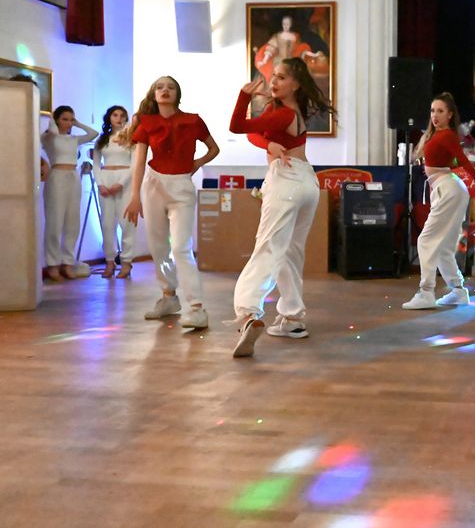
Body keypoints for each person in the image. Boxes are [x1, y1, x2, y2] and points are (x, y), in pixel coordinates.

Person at [228, 58, 332, 357]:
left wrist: (244, 96)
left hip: (285, 181)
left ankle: (248, 312)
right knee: (290, 252)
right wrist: (269, 145)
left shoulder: (283, 113)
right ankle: (293, 319)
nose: (273, 81)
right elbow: (256, 134)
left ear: (296, 84)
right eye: (273, 76)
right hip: (307, 182)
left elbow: (237, 126)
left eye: (282, 77)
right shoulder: (289, 111)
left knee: (268, 248)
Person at [124, 76, 219, 329]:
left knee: (180, 247)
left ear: (178, 94)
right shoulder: (146, 122)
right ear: (153, 94)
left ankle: (197, 308)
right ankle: (168, 297)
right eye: (159, 87)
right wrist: (134, 197)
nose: (165, 90)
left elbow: (214, 148)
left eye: (170, 87)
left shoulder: (193, 120)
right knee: (158, 245)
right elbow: (139, 162)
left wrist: (197, 163)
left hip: (181, 186)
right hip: (153, 184)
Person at [403, 92, 475, 310]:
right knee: (443, 247)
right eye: (433, 111)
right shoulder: (436, 135)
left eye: (440, 111)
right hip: (447, 189)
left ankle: (426, 292)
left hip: (449, 189)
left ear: (450, 114)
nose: (435, 115)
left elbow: (465, 162)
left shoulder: (448, 135)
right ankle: (458, 291)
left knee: (426, 240)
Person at [40, 105, 98, 281]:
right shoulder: (49, 137)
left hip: (73, 177)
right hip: (57, 177)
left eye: (71, 119)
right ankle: (52, 265)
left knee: (73, 222)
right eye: (64, 119)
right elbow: (52, 132)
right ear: (56, 120)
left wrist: (77, 123)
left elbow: (93, 134)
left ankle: (67, 262)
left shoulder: (74, 139)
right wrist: (52, 119)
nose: (69, 122)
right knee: (55, 222)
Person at [92, 106, 136, 279]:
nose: (119, 118)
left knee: (127, 223)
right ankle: (110, 261)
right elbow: (96, 164)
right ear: (109, 118)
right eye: (115, 115)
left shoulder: (131, 139)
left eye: (122, 116)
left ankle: (126, 262)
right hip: (106, 179)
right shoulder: (102, 140)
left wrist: (120, 183)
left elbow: (134, 165)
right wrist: (100, 184)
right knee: (107, 223)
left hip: (125, 181)